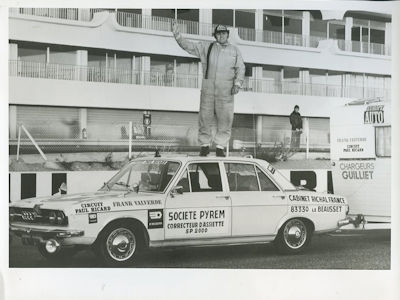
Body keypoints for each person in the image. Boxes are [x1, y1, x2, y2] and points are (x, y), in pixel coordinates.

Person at [172, 21, 245, 157]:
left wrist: (237, 84)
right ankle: (204, 145)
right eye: (218, 33)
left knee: (225, 119)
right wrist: (177, 35)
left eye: (224, 33)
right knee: (204, 117)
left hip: (226, 91)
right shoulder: (207, 47)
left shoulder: (234, 50)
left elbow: (241, 68)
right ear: (215, 35)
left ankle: (220, 147)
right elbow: (189, 46)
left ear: (227, 35)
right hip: (208, 90)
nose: (221, 36)